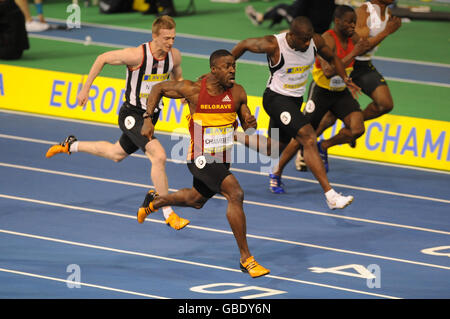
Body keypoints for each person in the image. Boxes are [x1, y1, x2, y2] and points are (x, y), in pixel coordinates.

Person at [45, 16, 190, 230]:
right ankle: (166, 210)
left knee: (116, 154)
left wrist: (184, 96)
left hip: (152, 116)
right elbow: (102, 58)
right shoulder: (136, 55)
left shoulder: (174, 57)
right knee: (158, 156)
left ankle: (70, 145)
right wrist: (85, 88)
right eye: (166, 38)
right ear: (155, 36)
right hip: (132, 114)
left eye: (173, 38)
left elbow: (178, 81)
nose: (171, 42)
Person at [137, 49, 270, 278]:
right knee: (235, 193)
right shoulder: (194, 90)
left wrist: (250, 122)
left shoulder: (238, 93)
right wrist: (149, 119)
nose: (232, 70)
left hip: (222, 159)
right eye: (227, 66)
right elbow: (158, 88)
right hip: (199, 156)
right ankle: (246, 259)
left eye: (234, 66)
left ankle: (155, 201)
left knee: (196, 200)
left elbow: (247, 123)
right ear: (214, 69)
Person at [231, 16, 358, 210]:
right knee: (308, 137)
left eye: (309, 38)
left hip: (294, 101)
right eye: (303, 39)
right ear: (291, 35)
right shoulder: (274, 44)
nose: (307, 43)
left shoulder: (315, 41)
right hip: (275, 98)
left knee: (272, 149)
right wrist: (224, 72)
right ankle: (331, 195)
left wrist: (345, 78)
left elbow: (332, 58)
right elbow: (244, 44)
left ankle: (229, 134)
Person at [274, 5, 371, 175]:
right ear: (337, 21)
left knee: (357, 129)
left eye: (354, 22)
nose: (352, 26)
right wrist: (354, 52)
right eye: (348, 22)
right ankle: (277, 171)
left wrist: (384, 33)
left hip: (341, 92)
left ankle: (323, 146)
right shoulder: (326, 39)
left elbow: (367, 46)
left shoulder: (353, 37)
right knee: (302, 136)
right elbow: (327, 72)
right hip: (321, 92)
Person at [308, 0, 401, 160]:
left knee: (385, 104)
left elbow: (368, 47)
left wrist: (385, 31)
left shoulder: (388, 15)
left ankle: (331, 139)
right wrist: (386, 32)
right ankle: (306, 149)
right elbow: (362, 44)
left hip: (365, 65)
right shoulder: (364, 12)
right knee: (329, 116)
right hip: (350, 64)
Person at [245, 0, 336, 34]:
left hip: (308, 26)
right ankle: (264, 17)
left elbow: (299, 11)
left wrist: (294, 29)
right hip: (324, 27)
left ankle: (260, 18)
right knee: (283, 8)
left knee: (280, 8)